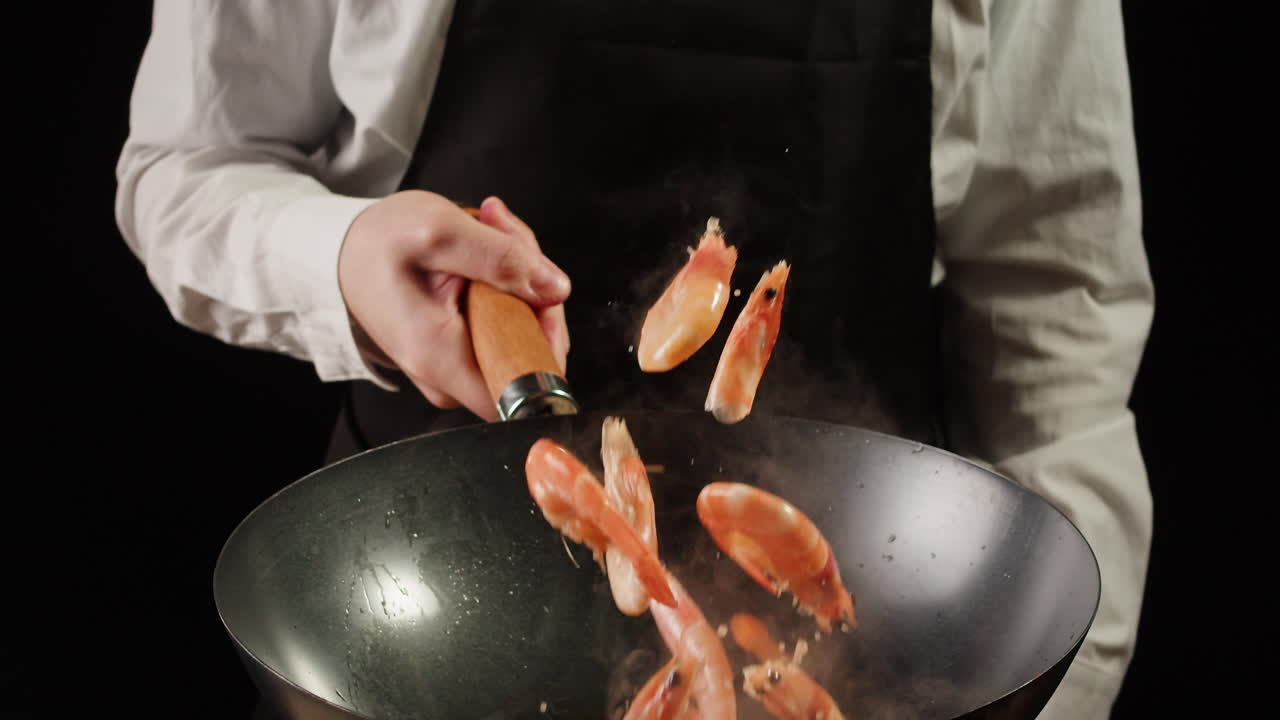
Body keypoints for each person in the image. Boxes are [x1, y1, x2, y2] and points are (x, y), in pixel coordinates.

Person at [114, 1, 1154, 717]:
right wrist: (342, 259)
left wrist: (1052, 677)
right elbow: (187, 165)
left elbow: (1055, 300)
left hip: (863, 630)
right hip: (420, 612)